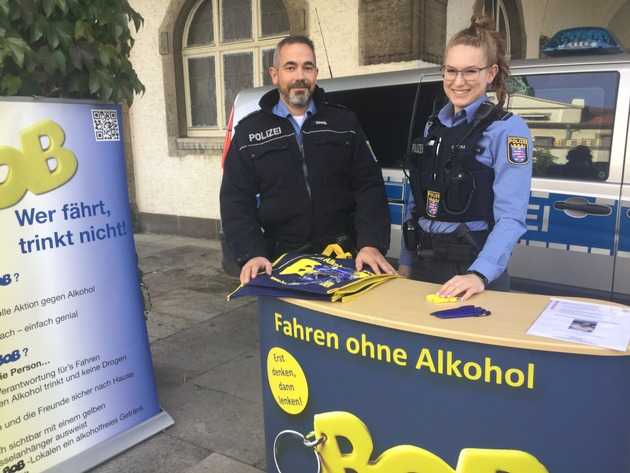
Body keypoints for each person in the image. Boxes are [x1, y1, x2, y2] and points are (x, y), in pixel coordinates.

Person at [220, 35, 394, 285]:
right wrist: (251, 253)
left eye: (307, 67)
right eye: (290, 67)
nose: (299, 76)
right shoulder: (249, 132)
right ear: (275, 74)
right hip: (279, 262)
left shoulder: (344, 123)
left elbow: (369, 187)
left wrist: (371, 244)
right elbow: (235, 200)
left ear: (315, 73)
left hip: (344, 257)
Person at [399, 15, 532, 301]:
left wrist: (480, 274)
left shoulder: (507, 130)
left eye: (471, 71)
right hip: (424, 263)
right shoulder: (433, 125)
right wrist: (406, 262)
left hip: (471, 271)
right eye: (451, 70)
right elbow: (416, 202)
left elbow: (511, 217)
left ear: (490, 73)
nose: (458, 81)